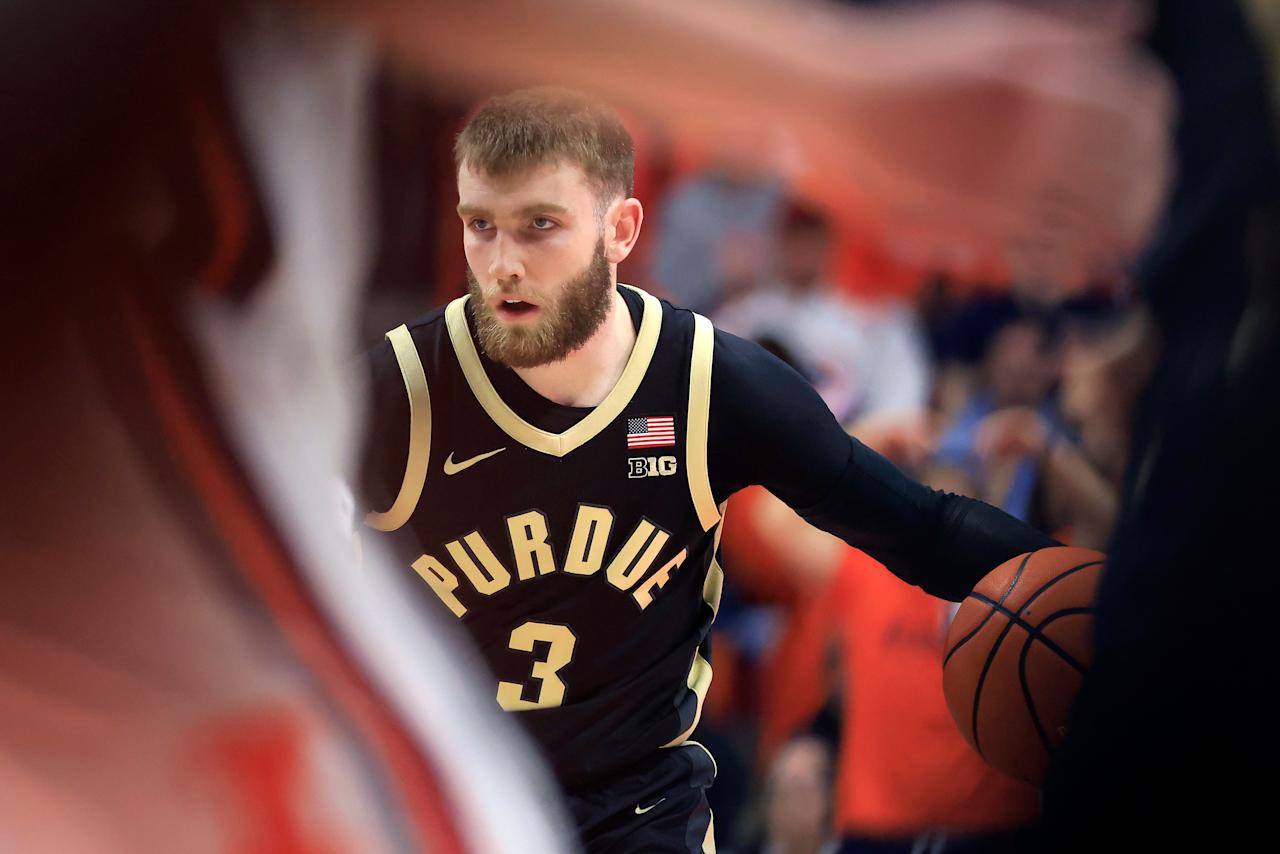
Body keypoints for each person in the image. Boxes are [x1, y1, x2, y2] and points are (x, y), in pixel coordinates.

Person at [358, 88, 1057, 853]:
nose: (503, 264)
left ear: (619, 230)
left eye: (541, 227)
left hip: (636, 814)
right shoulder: (398, 390)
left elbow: (920, 527)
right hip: (445, 805)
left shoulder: (710, 383)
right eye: (480, 226)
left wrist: (1113, 606)